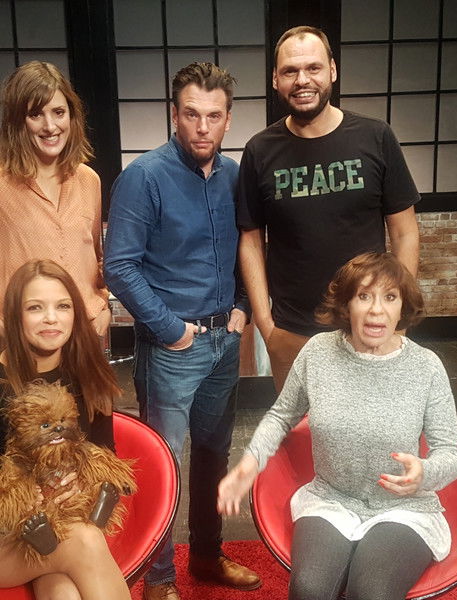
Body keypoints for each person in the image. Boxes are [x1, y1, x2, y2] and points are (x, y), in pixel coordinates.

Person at [218, 252, 457, 600]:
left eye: (389, 297)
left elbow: (452, 452)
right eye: (364, 296)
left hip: (403, 509)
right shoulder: (318, 352)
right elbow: (281, 416)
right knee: (309, 590)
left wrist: (425, 473)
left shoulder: (426, 366)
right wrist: (250, 462)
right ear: (347, 305)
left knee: (371, 592)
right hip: (331, 500)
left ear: (402, 307)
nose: (376, 310)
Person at [104, 62, 260, 600]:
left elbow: (249, 249)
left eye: (214, 116)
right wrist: (172, 330)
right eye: (191, 114)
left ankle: (208, 556)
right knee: (164, 463)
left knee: (214, 453)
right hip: (174, 345)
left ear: (228, 119)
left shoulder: (236, 176)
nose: (202, 127)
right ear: (174, 114)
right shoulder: (144, 177)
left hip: (225, 341)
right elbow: (119, 266)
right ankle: (159, 578)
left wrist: (244, 307)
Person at [237, 26, 421, 393]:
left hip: (368, 327)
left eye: (313, 68)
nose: (302, 80)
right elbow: (251, 241)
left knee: (371, 425)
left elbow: (404, 233)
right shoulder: (260, 150)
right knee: (299, 426)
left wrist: (396, 319)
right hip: (291, 331)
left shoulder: (375, 137)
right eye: (290, 71)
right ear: (275, 79)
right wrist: (266, 325)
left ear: (332, 71)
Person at [0, 259, 129, 600]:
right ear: (15, 316)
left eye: (62, 306)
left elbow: (106, 457)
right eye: (35, 308)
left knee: (63, 593)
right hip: (6, 536)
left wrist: (81, 483)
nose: (51, 318)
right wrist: (30, 493)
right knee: (84, 539)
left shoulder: (90, 374)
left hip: (58, 525)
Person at [0, 61, 111, 344]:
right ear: (17, 121)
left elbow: (96, 256)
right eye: (36, 114)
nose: (50, 126)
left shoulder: (89, 180)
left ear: (71, 116)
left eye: (59, 112)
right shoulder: (2, 184)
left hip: (84, 334)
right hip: (20, 339)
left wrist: (102, 304)